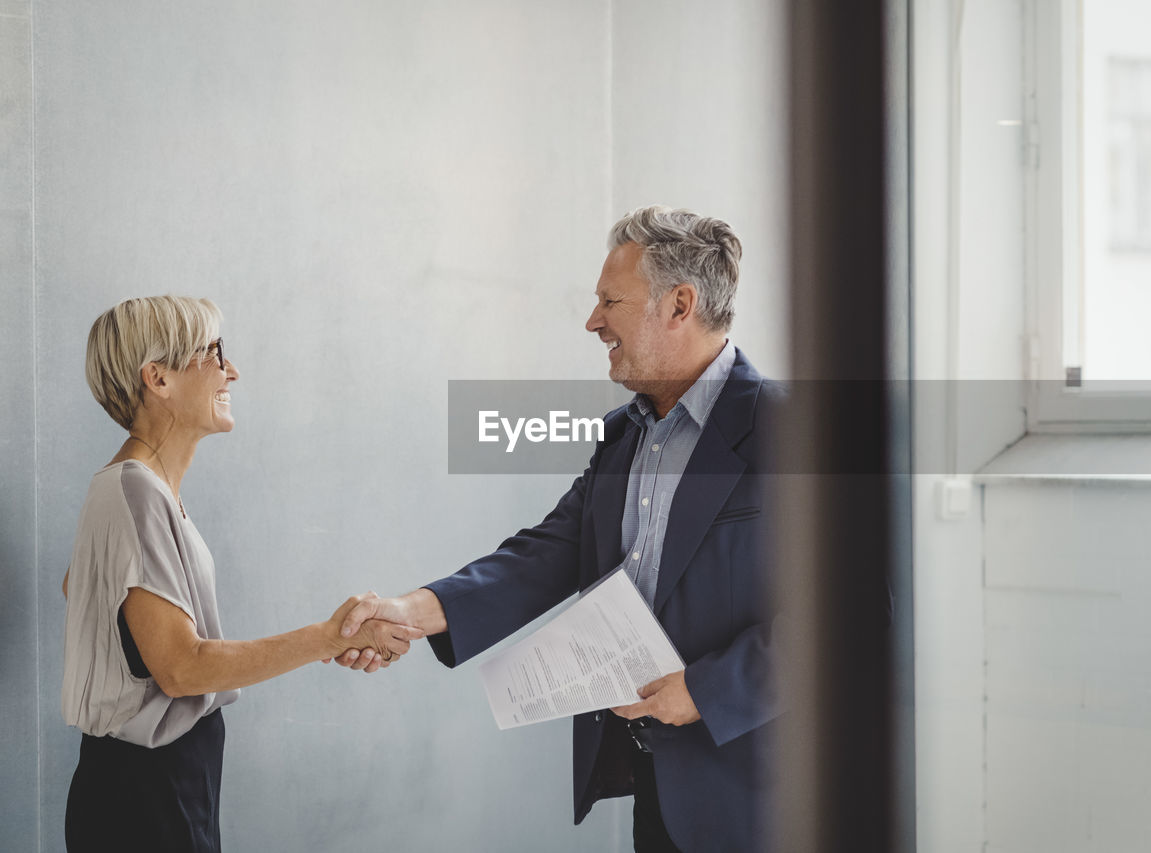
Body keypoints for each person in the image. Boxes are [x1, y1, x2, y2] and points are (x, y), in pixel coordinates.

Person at [336, 206, 782, 852]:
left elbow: (853, 621)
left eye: (610, 300)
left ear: (679, 305)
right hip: (659, 787)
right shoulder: (625, 436)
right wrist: (413, 610)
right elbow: (548, 552)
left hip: (760, 796)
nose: (593, 320)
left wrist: (708, 690)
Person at [60, 296, 424, 853]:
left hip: (166, 779)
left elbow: (83, 588)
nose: (232, 370)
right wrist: (329, 636)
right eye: (213, 352)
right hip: (147, 791)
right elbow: (181, 669)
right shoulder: (132, 490)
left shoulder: (142, 492)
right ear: (157, 378)